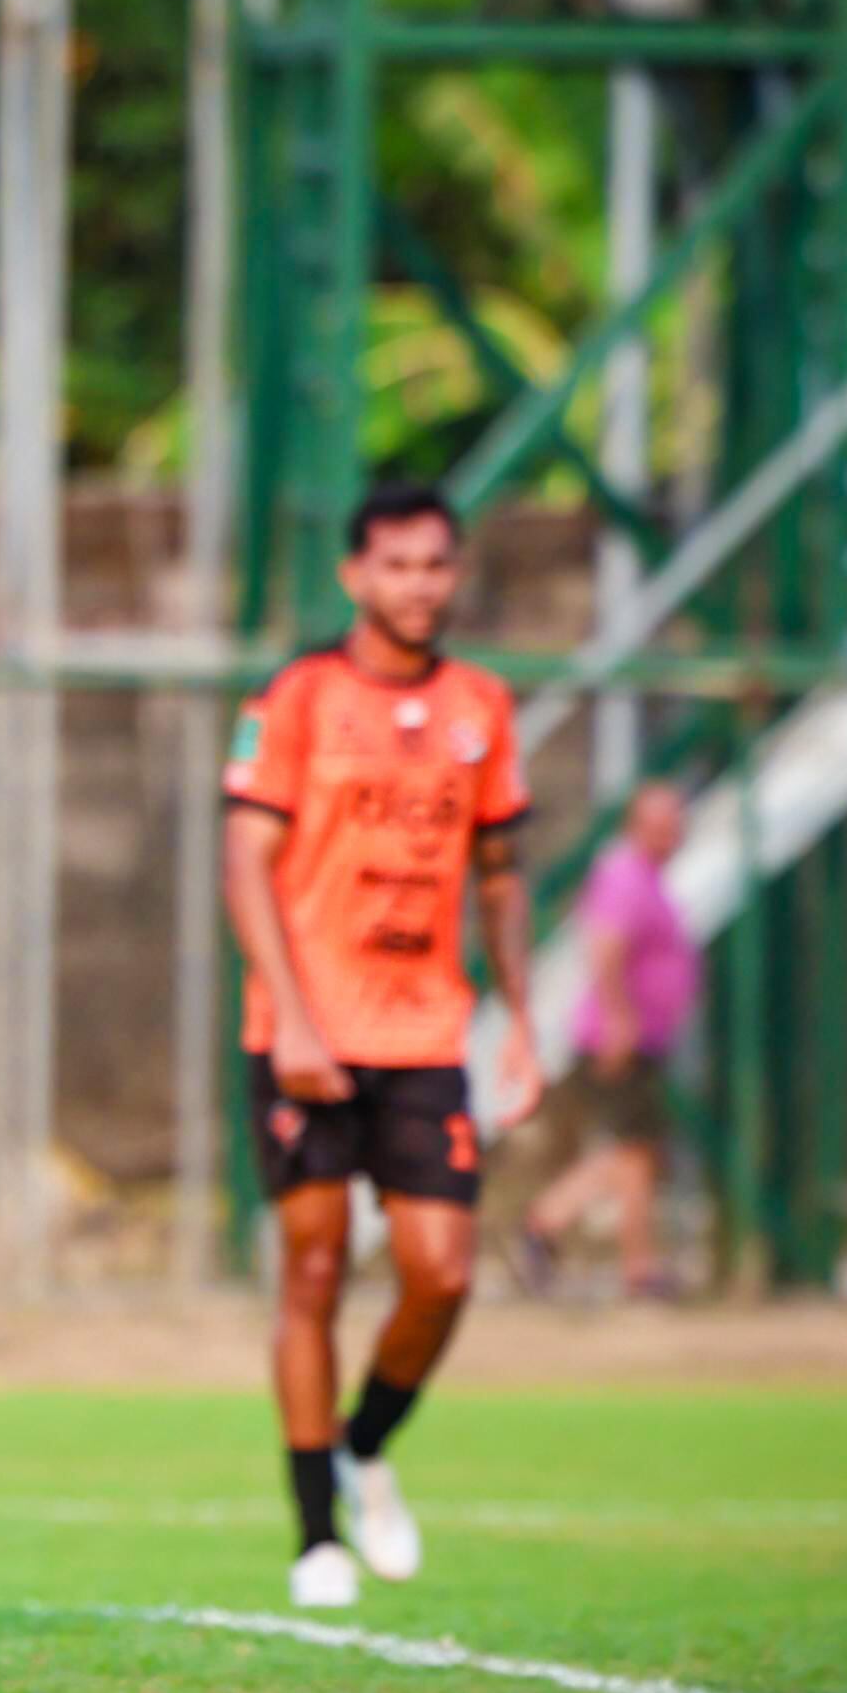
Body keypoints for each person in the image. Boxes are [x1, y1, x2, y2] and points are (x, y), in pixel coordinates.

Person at [220, 483, 542, 1613]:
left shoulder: (482, 707)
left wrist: (525, 1024)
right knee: (311, 1270)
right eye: (397, 565)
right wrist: (294, 1018)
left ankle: (366, 1442)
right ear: (355, 576)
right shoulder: (300, 696)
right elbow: (244, 858)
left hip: (425, 1033)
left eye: (437, 565)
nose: (420, 585)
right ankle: (315, 1536)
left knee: (442, 1273)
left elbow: (500, 879)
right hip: (304, 1033)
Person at [514, 780, 698, 1300]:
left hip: (641, 1038)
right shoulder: (625, 876)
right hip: (618, 1038)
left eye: (675, 823)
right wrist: (619, 1018)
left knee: (636, 1155)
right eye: (660, 823)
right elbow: (606, 951)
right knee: (635, 1155)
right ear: (636, 826)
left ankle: (551, 1226)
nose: (671, 833)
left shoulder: (651, 878)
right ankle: (616, 1259)